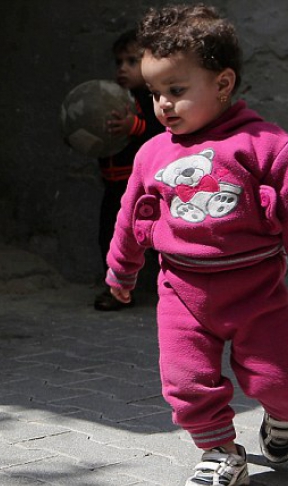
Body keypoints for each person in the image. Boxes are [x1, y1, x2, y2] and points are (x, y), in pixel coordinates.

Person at [104, 5, 288, 486]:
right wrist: (122, 270)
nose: (162, 105)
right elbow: (134, 215)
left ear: (223, 83)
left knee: (277, 381)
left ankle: (284, 415)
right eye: (154, 93)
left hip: (255, 290)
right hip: (181, 291)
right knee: (186, 382)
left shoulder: (268, 146)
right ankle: (220, 454)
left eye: (176, 90)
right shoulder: (152, 153)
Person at [94, 29, 164, 311]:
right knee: (111, 238)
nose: (123, 68)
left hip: (145, 187)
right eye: (119, 62)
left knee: (162, 241)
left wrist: (134, 126)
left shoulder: (153, 99)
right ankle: (117, 289)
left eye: (132, 61)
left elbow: (161, 132)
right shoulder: (113, 98)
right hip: (114, 186)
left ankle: (181, 291)